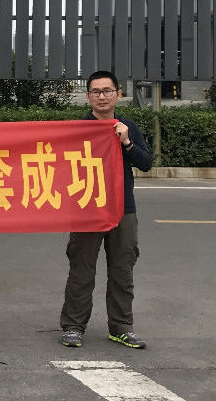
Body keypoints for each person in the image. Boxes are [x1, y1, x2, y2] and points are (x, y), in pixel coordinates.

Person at [59, 71, 154, 349]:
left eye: (107, 91)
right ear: (88, 96)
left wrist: (127, 143)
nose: (102, 96)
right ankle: (73, 326)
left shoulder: (127, 127)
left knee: (123, 270)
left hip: (122, 208)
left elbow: (146, 163)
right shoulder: (78, 129)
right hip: (87, 208)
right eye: (96, 92)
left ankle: (121, 327)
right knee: (81, 270)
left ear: (118, 94)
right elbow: (61, 166)